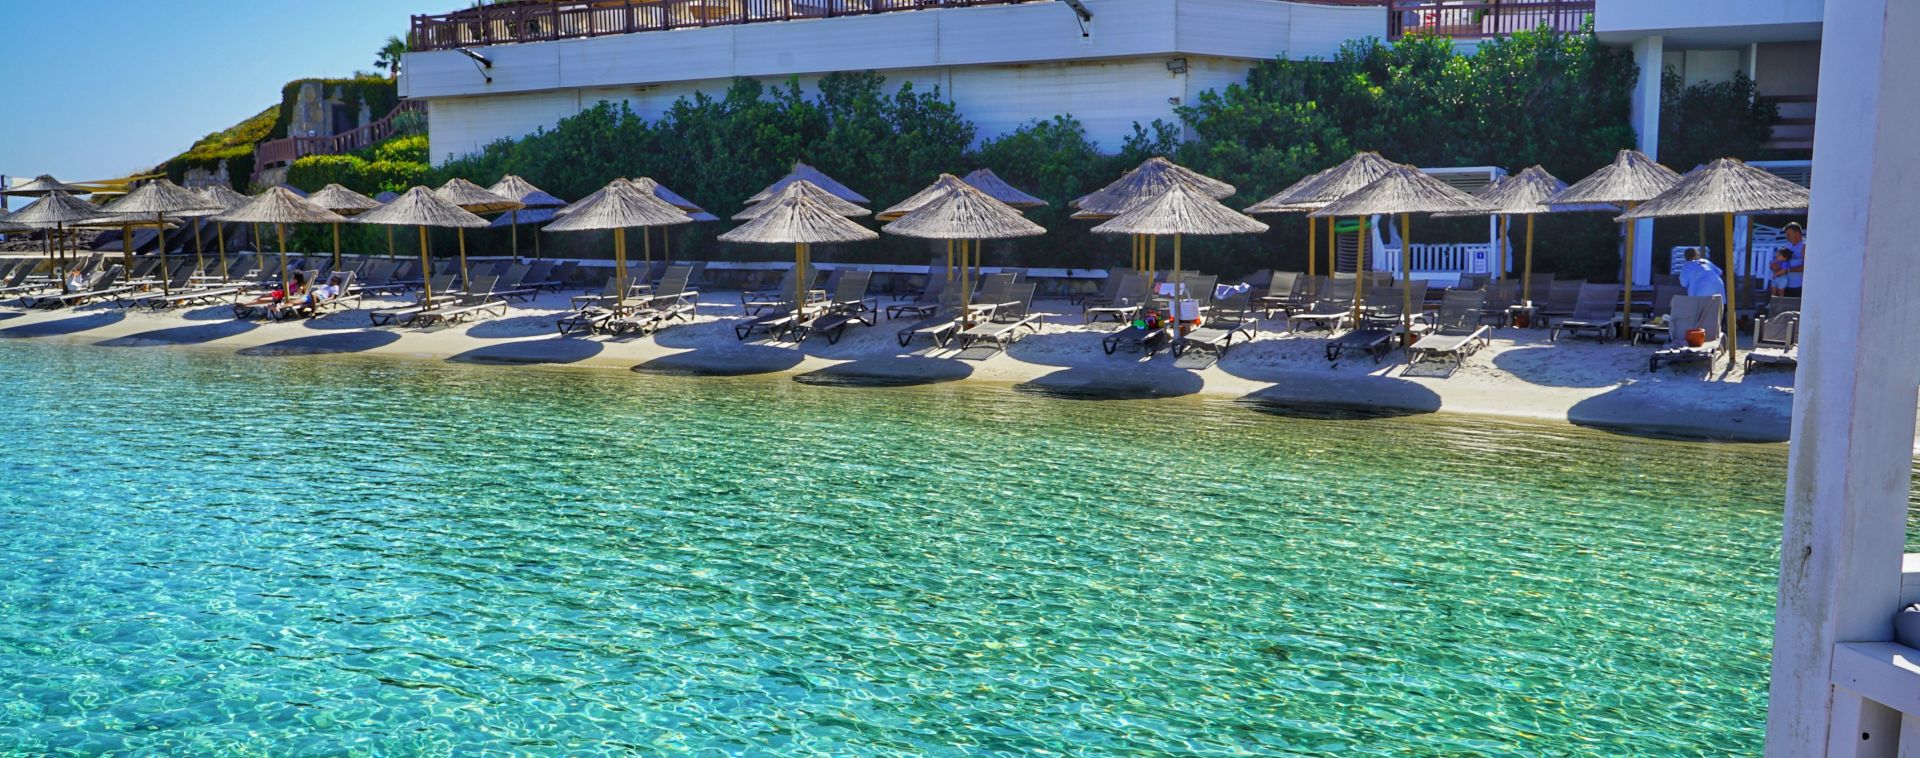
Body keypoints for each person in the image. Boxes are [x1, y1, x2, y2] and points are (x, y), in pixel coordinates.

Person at [1780, 222, 1806, 297]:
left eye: (1789, 235)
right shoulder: (1787, 245)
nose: (1787, 237)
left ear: (1797, 233)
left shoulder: (1804, 246)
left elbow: (1807, 268)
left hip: (1798, 286)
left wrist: (1788, 270)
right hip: (1785, 285)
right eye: (1786, 235)